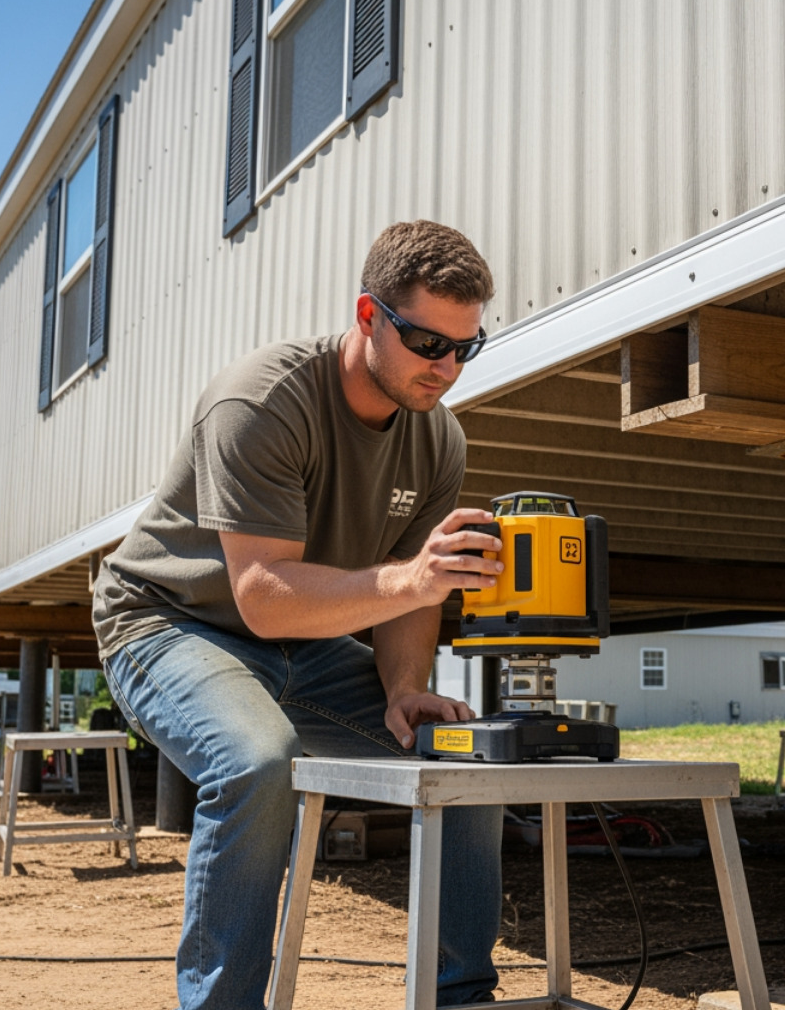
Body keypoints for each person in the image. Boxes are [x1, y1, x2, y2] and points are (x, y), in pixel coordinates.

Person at [92, 220, 506, 1009]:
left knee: (459, 756)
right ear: (366, 317)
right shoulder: (262, 400)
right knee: (257, 761)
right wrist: (410, 581)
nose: (446, 367)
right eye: (426, 342)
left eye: (465, 347)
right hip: (172, 623)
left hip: (304, 646)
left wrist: (402, 689)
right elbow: (264, 596)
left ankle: (461, 997)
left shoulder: (440, 440)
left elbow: (414, 595)